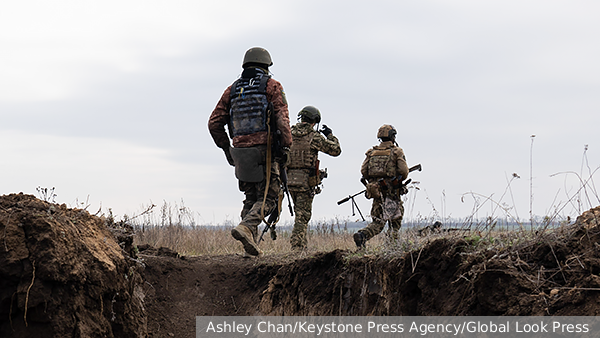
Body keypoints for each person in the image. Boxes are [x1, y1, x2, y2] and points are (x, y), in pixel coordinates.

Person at [208, 47, 292, 257]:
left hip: (241, 153)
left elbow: (214, 123)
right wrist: (286, 146)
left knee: (251, 197)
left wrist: (228, 149)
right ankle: (246, 228)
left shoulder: (232, 90)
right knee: (270, 197)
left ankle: (250, 248)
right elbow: (282, 121)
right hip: (265, 152)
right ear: (266, 66)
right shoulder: (272, 86)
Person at [287, 106, 341, 250]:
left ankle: (301, 247)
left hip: (288, 180)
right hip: (305, 182)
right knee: (302, 216)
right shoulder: (314, 137)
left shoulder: (289, 134)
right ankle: (297, 247)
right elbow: (336, 150)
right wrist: (330, 135)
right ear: (314, 121)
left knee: (299, 214)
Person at [353, 124, 408, 248]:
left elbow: (364, 172)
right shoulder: (396, 151)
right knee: (395, 221)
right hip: (392, 193)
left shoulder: (371, 152)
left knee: (377, 222)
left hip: (376, 192)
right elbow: (404, 172)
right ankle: (392, 247)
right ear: (393, 136)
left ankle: (362, 235)